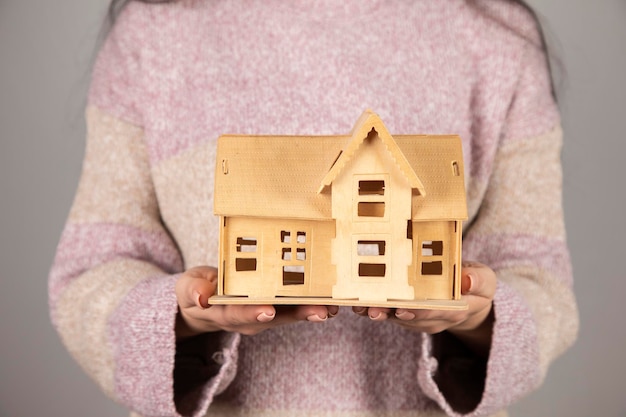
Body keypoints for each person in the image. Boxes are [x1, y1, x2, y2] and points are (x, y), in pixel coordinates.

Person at [48, 0, 579, 416]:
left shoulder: (498, 38)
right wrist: (180, 318)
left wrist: (479, 318)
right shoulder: (152, 34)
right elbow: (93, 271)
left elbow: (540, 281)